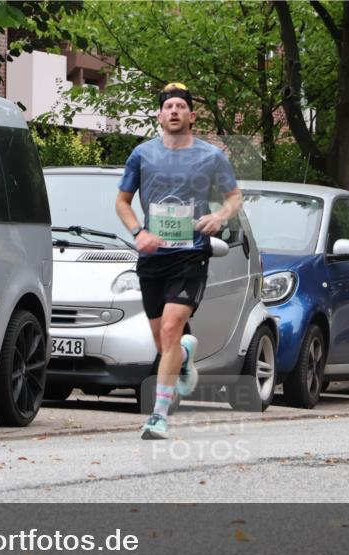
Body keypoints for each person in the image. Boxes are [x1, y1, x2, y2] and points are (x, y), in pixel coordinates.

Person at [116, 82, 243, 439]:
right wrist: (139, 232)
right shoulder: (142, 154)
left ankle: (158, 415)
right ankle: (184, 358)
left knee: (172, 329)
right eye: (168, 106)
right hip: (153, 256)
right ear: (159, 115)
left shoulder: (211, 156)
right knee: (164, 342)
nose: (174, 111)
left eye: (180, 106)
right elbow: (122, 203)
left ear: (192, 115)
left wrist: (219, 217)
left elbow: (235, 198)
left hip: (191, 254)